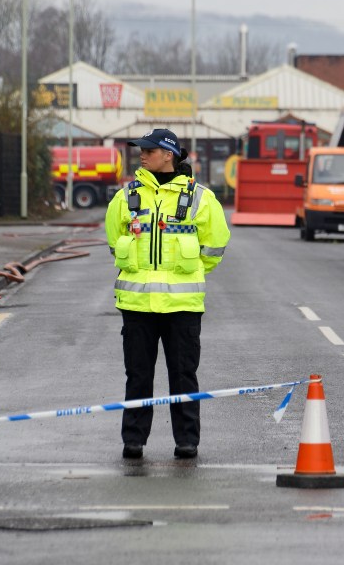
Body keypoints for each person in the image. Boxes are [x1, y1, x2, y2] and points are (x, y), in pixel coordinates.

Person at [105, 128, 230, 460]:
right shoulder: (126, 196)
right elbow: (114, 240)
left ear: (168, 155)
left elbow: (215, 247)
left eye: (149, 150)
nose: (142, 155)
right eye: (141, 150)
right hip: (136, 304)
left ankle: (186, 441)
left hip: (183, 305)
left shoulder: (201, 198)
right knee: (138, 377)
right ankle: (134, 440)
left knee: (183, 376)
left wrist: (188, 273)